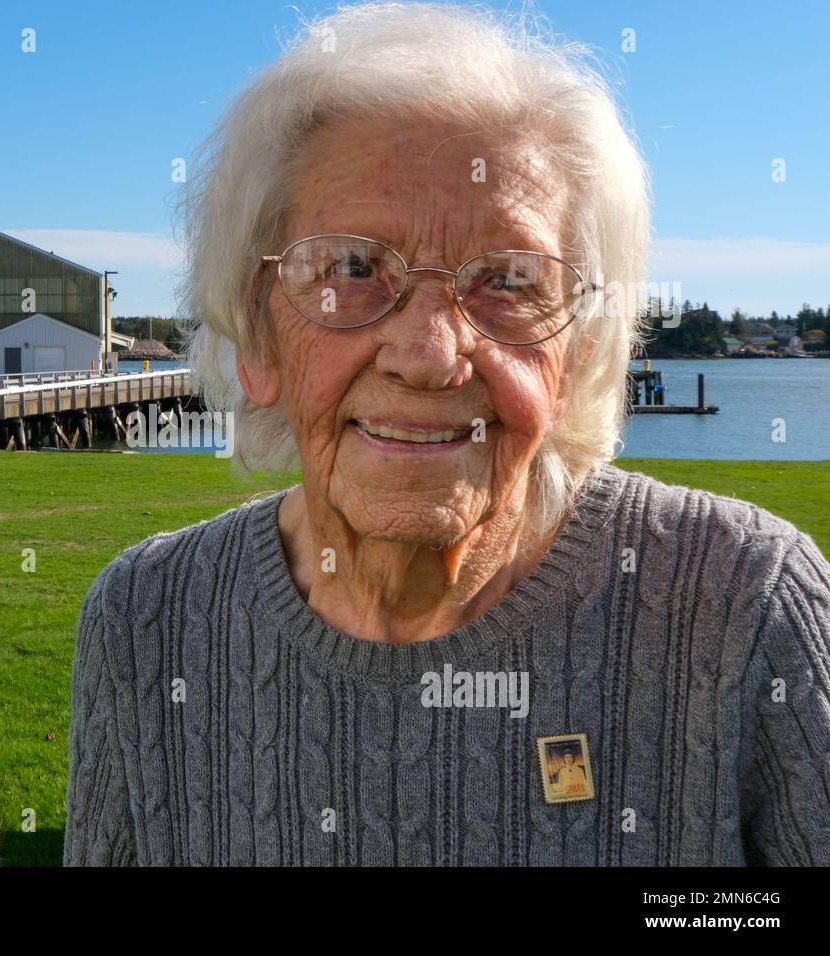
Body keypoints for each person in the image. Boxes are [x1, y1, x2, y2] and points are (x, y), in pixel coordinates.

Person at [63, 1, 830, 866]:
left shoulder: (743, 605)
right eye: (351, 267)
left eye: (508, 280)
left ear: (577, 350)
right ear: (257, 333)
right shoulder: (146, 621)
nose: (430, 356)